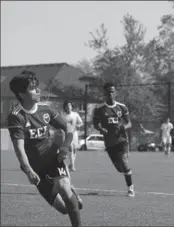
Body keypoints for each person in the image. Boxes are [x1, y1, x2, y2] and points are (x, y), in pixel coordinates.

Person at [7, 70, 83, 227]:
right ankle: (72, 194)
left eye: (37, 87)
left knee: (64, 189)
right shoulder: (16, 116)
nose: (38, 90)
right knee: (64, 209)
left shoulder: (46, 109)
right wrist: (28, 170)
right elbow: (19, 148)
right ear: (21, 93)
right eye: (33, 88)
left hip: (53, 158)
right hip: (36, 168)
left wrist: (64, 148)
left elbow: (69, 128)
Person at [92, 82, 134, 197]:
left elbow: (129, 122)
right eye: (108, 92)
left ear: (115, 93)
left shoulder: (122, 107)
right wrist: (101, 130)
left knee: (124, 163)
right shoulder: (99, 109)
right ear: (104, 93)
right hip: (110, 143)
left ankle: (130, 188)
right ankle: (125, 172)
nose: (111, 94)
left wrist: (123, 127)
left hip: (122, 140)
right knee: (120, 169)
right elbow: (95, 124)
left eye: (112, 91)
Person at [62, 100, 83, 172]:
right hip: (67, 134)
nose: (68, 107)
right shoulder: (63, 115)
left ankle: (71, 164)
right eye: (67, 105)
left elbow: (81, 123)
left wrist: (78, 125)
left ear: (71, 106)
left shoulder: (75, 114)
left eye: (69, 105)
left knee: (74, 150)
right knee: (70, 148)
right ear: (64, 107)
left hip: (74, 134)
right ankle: (73, 166)